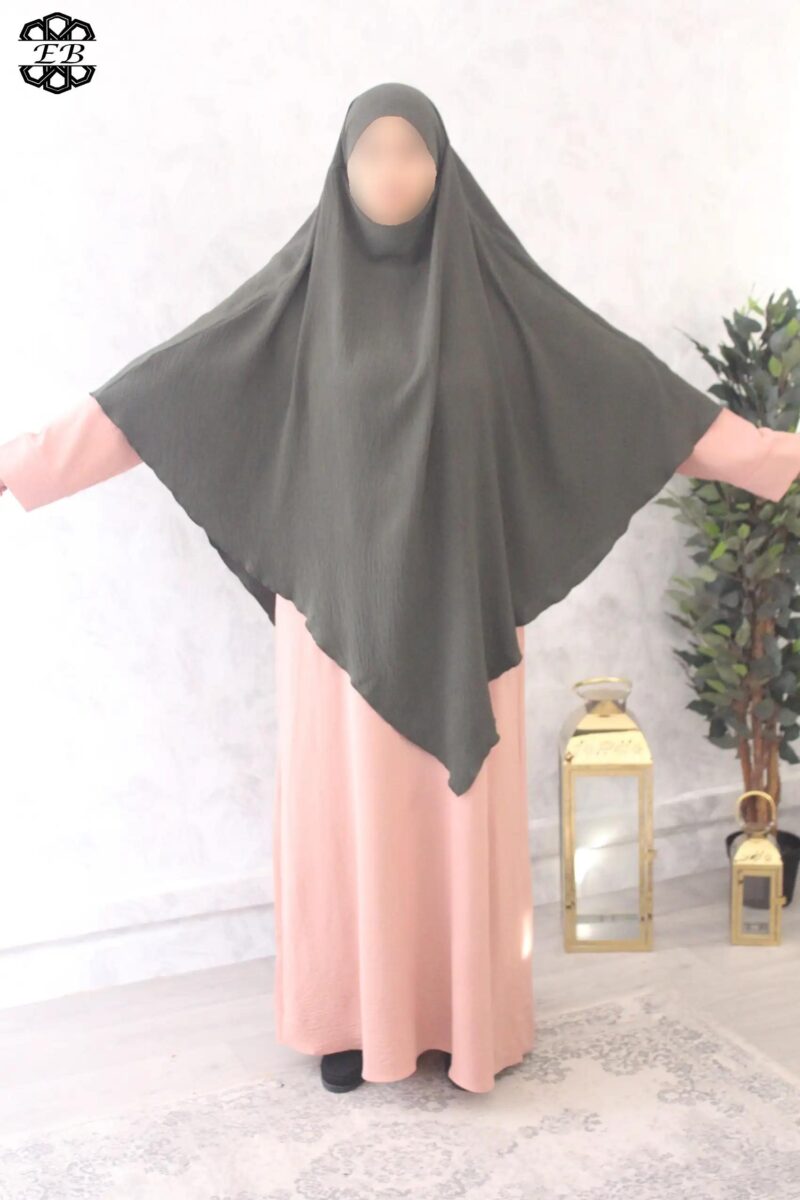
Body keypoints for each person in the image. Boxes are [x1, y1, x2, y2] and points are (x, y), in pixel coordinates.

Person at [3, 81, 800, 1097]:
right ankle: (349, 1018)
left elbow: (635, 399)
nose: (391, 172)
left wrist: (773, 454)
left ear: (443, 165)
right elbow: (152, 398)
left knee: (450, 816)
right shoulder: (293, 300)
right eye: (370, 153)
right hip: (335, 625)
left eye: (411, 152)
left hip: (462, 614)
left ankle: (465, 1018)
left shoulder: (498, 296)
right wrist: (22, 462)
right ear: (340, 171)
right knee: (347, 820)